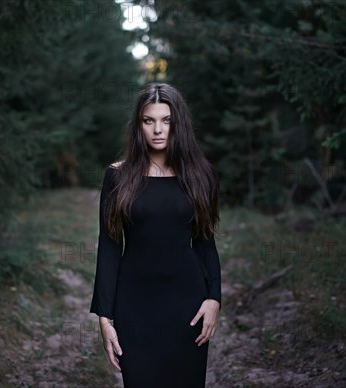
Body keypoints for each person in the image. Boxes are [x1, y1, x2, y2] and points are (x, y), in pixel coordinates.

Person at [89, 82, 222, 387]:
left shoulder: (202, 174)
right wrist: (104, 317)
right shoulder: (117, 176)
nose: (158, 130)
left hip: (188, 305)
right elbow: (110, 246)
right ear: (139, 125)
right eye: (149, 121)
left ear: (179, 125)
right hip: (133, 305)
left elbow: (205, 240)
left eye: (167, 121)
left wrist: (214, 297)